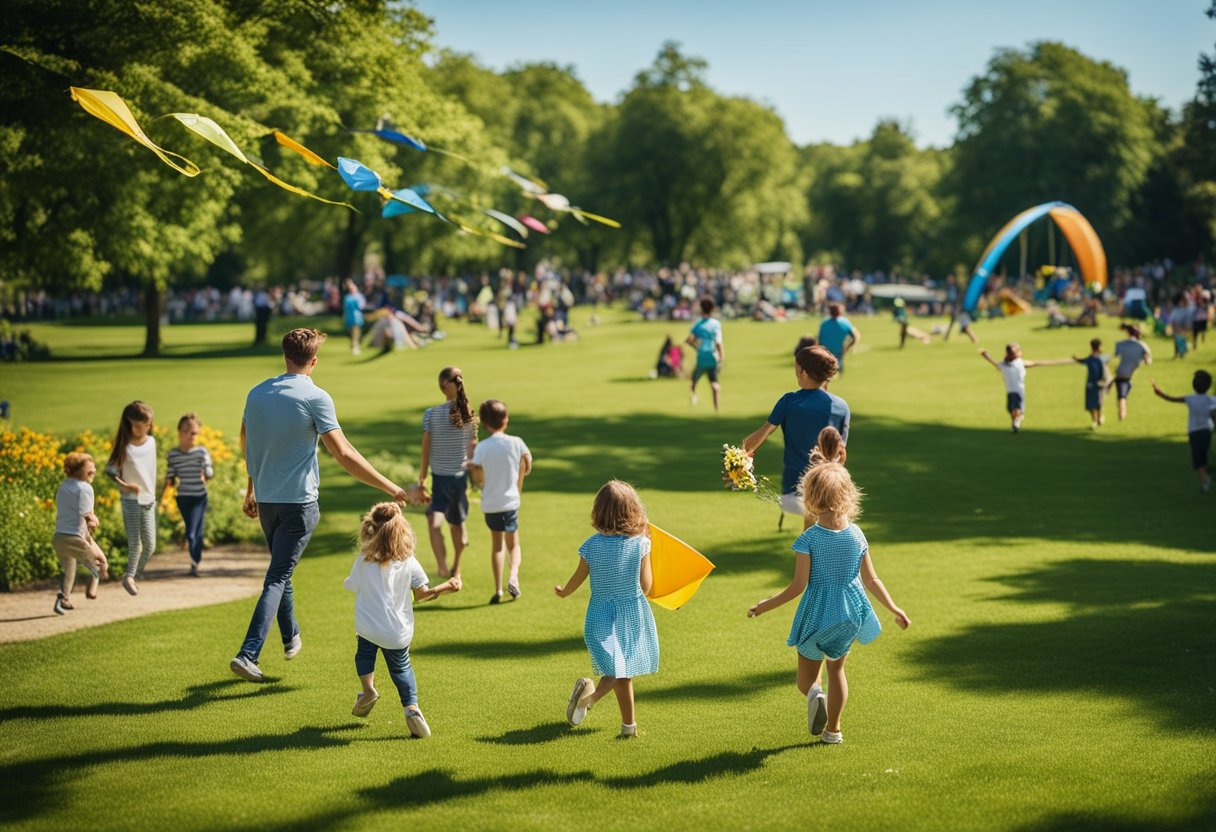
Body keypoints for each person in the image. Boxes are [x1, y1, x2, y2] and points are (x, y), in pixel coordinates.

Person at [231, 328, 418, 682]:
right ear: (313, 361)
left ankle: (291, 636)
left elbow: (248, 442)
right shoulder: (316, 397)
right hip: (300, 505)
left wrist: (250, 488)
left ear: (285, 356)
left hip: (268, 501)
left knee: (280, 570)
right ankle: (248, 652)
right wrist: (392, 487)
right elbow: (344, 454)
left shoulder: (256, 395)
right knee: (278, 574)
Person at [746, 456, 909, 744]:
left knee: (806, 681)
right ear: (848, 495)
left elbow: (798, 586)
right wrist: (894, 608)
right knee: (837, 670)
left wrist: (765, 605)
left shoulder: (809, 539)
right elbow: (872, 580)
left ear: (810, 498)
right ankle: (833, 731)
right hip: (849, 613)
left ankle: (813, 694)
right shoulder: (857, 535)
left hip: (817, 613)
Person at [344, 502, 461, 738]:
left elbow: (351, 585)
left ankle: (368, 690)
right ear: (401, 531)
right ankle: (411, 707)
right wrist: (447, 586)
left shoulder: (363, 560)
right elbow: (422, 595)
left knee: (364, 654)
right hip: (397, 631)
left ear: (371, 530)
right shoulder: (409, 562)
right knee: (401, 668)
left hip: (367, 627)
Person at [555, 480, 659, 739]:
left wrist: (564, 592)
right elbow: (646, 587)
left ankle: (628, 727)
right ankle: (589, 699)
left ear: (598, 511)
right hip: (629, 616)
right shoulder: (640, 545)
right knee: (622, 671)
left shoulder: (590, 546)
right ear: (633, 510)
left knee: (621, 672)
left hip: (598, 618)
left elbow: (576, 579)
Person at [741, 346, 850, 528]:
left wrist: (741, 453)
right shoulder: (841, 406)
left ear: (803, 372)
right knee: (822, 529)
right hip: (831, 486)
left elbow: (764, 432)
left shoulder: (790, 401)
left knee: (811, 532)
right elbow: (841, 453)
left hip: (794, 487)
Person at [468, 399, 532, 604]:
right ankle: (513, 576)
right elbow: (527, 464)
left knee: (497, 546)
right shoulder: (517, 442)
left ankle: (498, 590)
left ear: (485, 423)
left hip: (490, 505)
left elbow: (478, 479)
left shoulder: (482, 447)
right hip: (510, 502)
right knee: (513, 545)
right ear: (505, 419)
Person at [418, 367, 476, 578]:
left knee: (434, 522)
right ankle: (456, 568)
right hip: (460, 479)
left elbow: (425, 450)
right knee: (457, 525)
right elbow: (473, 448)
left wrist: (422, 479)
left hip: (440, 478)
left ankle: (443, 566)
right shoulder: (468, 413)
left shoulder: (431, 414)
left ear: (443, 386)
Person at [105, 401, 157, 596]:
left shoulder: (152, 442)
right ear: (129, 424)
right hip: (130, 499)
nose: (146, 427)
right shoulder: (124, 447)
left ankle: (133, 575)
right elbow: (110, 471)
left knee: (150, 546)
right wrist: (126, 486)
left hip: (149, 498)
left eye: (147, 423)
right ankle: (129, 576)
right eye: (140, 423)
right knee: (136, 543)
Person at [52, 452, 108, 615]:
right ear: (78, 471)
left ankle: (64, 599)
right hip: (75, 538)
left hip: (59, 538)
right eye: (89, 468)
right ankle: (91, 592)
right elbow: (89, 517)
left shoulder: (64, 485)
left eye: (93, 467)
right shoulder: (85, 488)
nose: (93, 470)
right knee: (101, 565)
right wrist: (95, 521)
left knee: (69, 571)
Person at [162, 413, 214, 576]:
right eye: (192, 432)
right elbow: (170, 476)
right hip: (183, 498)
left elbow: (210, 471)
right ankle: (195, 560)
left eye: (196, 433)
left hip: (199, 497)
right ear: (181, 432)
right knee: (194, 531)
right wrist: (162, 496)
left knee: (192, 532)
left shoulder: (201, 452)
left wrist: (205, 473)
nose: (195, 436)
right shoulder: (173, 455)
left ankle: (194, 563)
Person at [978, 344, 1069, 433]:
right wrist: (986, 356)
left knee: (1017, 408)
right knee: (1011, 410)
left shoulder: (1020, 363)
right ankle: (1016, 421)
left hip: (1019, 390)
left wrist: (1053, 362)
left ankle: (1017, 422)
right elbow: (996, 364)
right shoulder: (1004, 364)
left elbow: (1035, 363)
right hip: (1010, 391)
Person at [1151, 371, 1216, 492]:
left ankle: (1205, 482)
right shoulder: (1212, 400)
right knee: (1203, 455)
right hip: (1207, 431)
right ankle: (1207, 474)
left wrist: (1159, 393)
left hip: (1194, 432)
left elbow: (1172, 399)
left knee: (1197, 460)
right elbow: (1214, 414)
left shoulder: (1190, 399)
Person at [686, 296, 724, 411]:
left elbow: (689, 340)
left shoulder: (698, 325)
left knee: (693, 380)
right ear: (712, 309)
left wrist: (697, 347)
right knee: (714, 381)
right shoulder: (716, 324)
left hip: (702, 356)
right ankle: (716, 408)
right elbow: (718, 342)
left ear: (701, 309)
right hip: (712, 356)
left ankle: (693, 396)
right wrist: (721, 357)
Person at [1109, 324, 1153, 421]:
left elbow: (1114, 358)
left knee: (1122, 393)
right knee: (1122, 393)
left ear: (1127, 332)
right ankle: (1122, 412)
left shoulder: (1120, 344)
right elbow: (1149, 360)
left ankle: (1122, 412)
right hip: (1126, 374)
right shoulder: (1142, 345)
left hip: (1120, 373)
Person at [1073, 339, 1111, 429]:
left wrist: (1077, 359)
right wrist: (1077, 359)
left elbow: (1084, 361)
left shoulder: (1096, 358)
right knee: (1095, 404)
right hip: (1094, 384)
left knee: (1096, 403)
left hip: (1095, 384)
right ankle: (1096, 420)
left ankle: (1097, 419)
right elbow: (1083, 360)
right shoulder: (1095, 358)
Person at [817, 303, 859, 372]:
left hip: (825, 350)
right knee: (836, 366)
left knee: (826, 369)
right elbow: (854, 337)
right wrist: (849, 346)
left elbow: (820, 338)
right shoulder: (845, 322)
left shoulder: (824, 323)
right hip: (838, 351)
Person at [342, 279, 365, 356]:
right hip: (349, 317)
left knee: (356, 333)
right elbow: (345, 308)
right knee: (351, 333)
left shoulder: (359, 296)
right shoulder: (347, 297)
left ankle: (356, 347)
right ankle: (354, 345)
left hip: (357, 317)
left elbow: (362, 306)